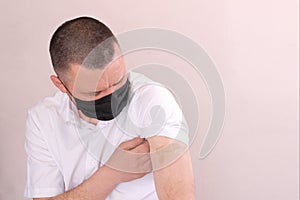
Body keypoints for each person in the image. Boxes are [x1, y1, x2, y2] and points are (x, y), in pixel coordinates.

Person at [24, 16, 195, 200]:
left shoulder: (153, 101)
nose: (112, 96)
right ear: (61, 85)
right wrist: (112, 173)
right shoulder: (43, 119)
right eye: (97, 92)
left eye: (119, 81)